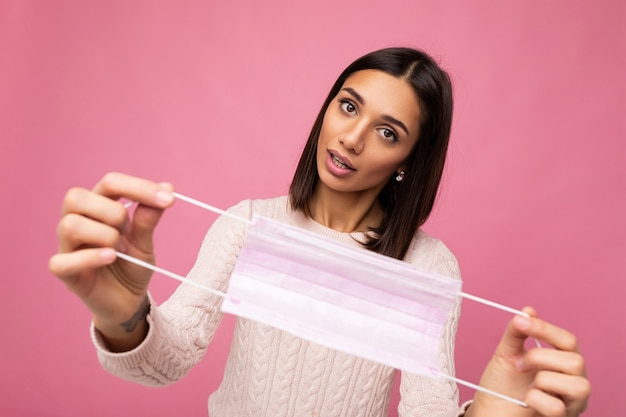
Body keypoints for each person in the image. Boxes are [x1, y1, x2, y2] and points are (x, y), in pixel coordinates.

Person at [49, 47, 590, 417]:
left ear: (409, 159)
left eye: (387, 131)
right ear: (328, 107)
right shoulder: (249, 223)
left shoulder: (427, 266)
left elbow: (428, 407)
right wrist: (124, 317)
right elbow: (170, 360)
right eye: (348, 106)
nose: (352, 138)